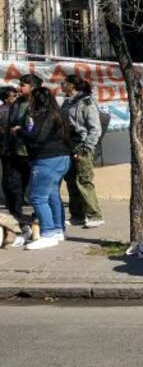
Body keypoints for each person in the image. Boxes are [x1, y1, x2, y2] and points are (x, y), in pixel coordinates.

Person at [13, 87, 72, 250]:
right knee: (52, 194)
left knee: (38, 197)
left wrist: (20, 132)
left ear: (36, 99)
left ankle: (48, 234)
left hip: (47, 159)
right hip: (61, 158)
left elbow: (38, 137)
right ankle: (59, 230)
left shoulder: (43, 115)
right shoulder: (58, 113)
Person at [60, 75, 104, 228]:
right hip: (69, 145)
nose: (61, 86)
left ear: (72, 85)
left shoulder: (86, 102)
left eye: (64, 83)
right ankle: (77, 215)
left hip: (82, 145)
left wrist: (86, 148)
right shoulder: (67, 102)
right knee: (71, 181)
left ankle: (95, 215)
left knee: (83, 181)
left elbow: (95, 128)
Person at [3, 74, 40, 235]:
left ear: (32, 87)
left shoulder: (39, 103)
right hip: (15, 150)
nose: (20, 88)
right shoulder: (17, 103)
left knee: (36, 189)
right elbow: (11, 121)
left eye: (23, 85)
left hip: (32, 152)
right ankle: (16, 217)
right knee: (14, 186)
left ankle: (40, 219)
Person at [0, 86, 26, 231]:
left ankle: (15, 207)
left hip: (15, 150)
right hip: (9, 150)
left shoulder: (17, 109)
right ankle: (15, 209)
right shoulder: (5, 111)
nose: (16, 98)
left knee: (12, 179)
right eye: (13, 96)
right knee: (12, 180)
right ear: (6, 98)